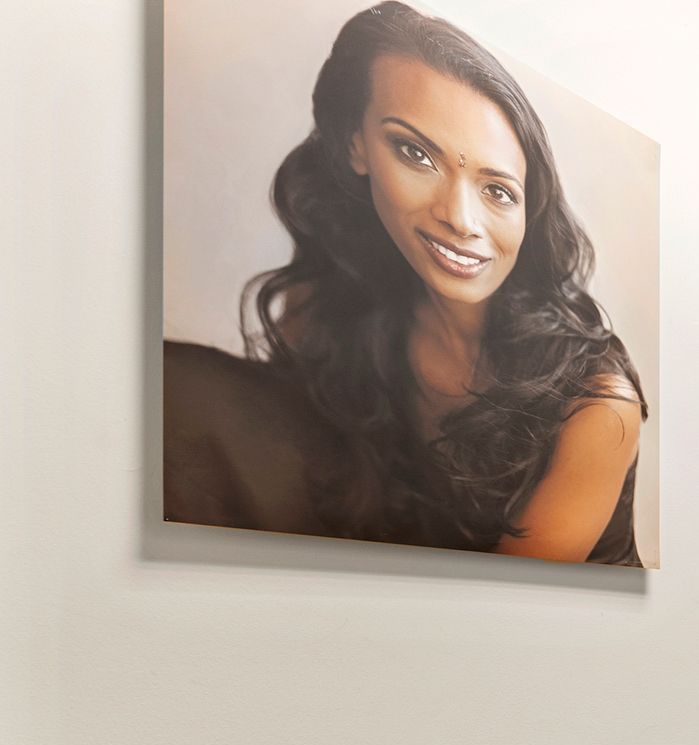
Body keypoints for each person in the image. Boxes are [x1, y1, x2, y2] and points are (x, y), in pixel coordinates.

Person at [164, 2, 650, 565]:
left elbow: (514, 614)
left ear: (529, 210)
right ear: (355, 146)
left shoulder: (598, 402)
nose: (461, 220)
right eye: (416, 153)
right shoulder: (328, 309)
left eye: (497, 191)